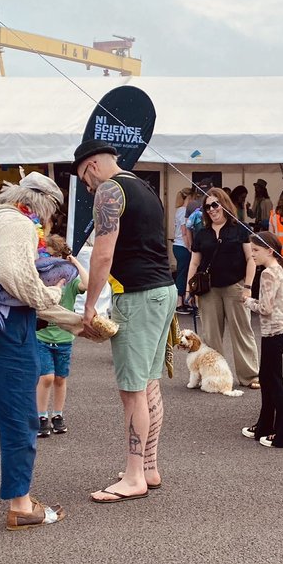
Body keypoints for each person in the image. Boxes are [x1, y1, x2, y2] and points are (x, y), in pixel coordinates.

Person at [0, 173, 83, 528]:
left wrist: (69, 319)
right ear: (43, 205)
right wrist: (52, 295)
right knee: (19, 414)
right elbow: (12, 275)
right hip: (0, 327)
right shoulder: (19, 224)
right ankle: (21, 504)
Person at [75, 140, 178, 503]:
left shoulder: (109, 190)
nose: (89, 190)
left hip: (137, 296)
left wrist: (89, 306)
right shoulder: (142, 185)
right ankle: (147, 467)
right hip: (162, 291)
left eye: (85, 183)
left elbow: (103, 253)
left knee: (132, 390)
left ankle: (134, 476)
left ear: (89, 167)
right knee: (148, 384)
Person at [185, 187, 259, 388]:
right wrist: (187, 290)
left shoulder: (240, 229)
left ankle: (250, 376)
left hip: (235, 286)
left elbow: (250, 259)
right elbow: (194, 263)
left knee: (242, 332)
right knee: (211, 336)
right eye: (207, 206)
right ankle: (215, 375)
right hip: (209, 290)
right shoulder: (202, 234)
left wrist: (248, 287)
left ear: (225, 205)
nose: (211, 209)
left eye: (215, 204)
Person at [241, 232, 283, 449]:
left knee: (274, 382)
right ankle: (265, 426)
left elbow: (265, 308)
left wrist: (248, 301)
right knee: (269, 379)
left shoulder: (268, 274)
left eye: (256, 250)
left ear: (269, 251)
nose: (252, 254)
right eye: (251, 250)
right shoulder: (279, 269)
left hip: (273, 332)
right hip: (280, 331)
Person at [36, 234, 89, 438]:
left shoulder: (70, 282)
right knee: (47, 377)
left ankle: (57, 415)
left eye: (55, 258)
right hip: (42, 336)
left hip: (65, 338)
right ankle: (41, 416)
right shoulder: (41, 279)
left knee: (60, 378)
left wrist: (74, 261)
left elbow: (89, 283)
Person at [172, 186, 192, 313]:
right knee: (182, 273)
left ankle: (183, 299)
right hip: (182, 245)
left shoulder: (178, 210)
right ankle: (179, 302)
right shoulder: (184, 211)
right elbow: (185, 232)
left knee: (182, 272)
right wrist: (189, 247)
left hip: (177, 245)